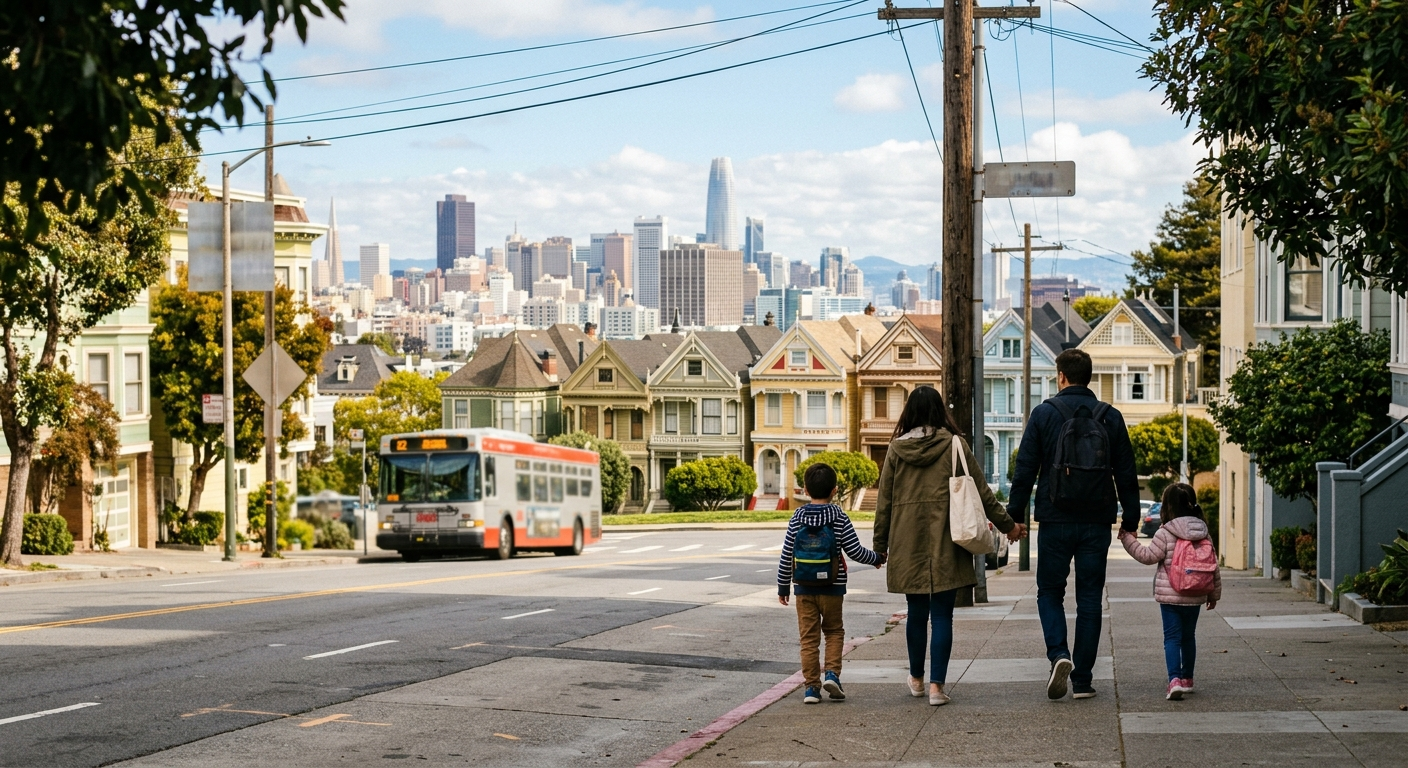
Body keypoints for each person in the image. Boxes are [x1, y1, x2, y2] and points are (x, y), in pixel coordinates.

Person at [872, 386, 1026, 706]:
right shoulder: (955, 445)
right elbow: (981, 493)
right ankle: (936, 688)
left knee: (916, 614)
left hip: (907, 541)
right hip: (948, 540)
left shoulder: (896, 450)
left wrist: (880, 545)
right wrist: (1009, 526)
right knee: (942, 616)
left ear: (909, 413)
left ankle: (915, 679)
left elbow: (883, 503)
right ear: (940, 411)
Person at [1007, 348, 1141, 701]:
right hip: (1096, 521)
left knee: (1049, 592)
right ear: (1089, 378)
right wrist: (1130, 519)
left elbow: (1025, 470)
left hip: (1055, 519)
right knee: (1090, 599)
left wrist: (1013, 517)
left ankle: (1058, 654)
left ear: (1061, 376)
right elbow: (1126, 473)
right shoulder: (1110, 417)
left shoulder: (1044, 414)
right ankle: (1082, 681)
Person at [777, 462, 884, 704]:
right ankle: (832, 675)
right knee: (834, 631)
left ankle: (811, 689)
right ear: (834, 490)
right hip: (833, 588)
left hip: (804, 587)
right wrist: (877, 558)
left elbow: (786, 554)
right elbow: (855, 550)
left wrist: (783, 587)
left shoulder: (797, 516)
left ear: (805, 489)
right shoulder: (838, 516)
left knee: (809, 639)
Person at [1118, 483, 1221, 700]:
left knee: (1172, 638)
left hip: (1171, 595)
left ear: (1167, 507)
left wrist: (1128, 539)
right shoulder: (1203, 531)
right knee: (1188, 637)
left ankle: (1174, 680)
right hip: (1196, 594)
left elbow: (1147, 556)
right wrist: (1213, 594)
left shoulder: (1166, 532)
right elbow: (1213, 566)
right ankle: (1188, 679)